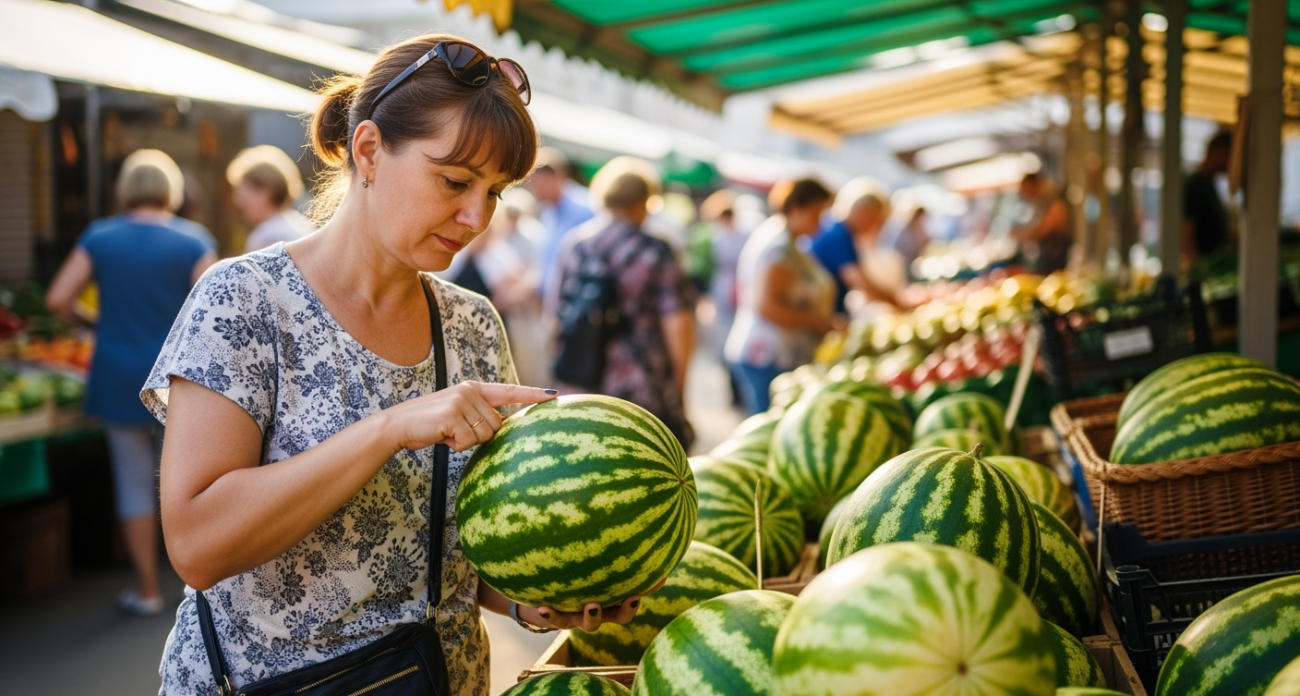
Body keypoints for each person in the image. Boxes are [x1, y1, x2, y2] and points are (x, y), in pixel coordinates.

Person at [140, 34, 647, 696]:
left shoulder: (470, 323)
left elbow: (455, 550)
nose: (476, 217)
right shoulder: (245, 300)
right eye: (456, 180)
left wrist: (534, 598)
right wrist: (389, 428)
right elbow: (198, 544)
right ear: (370, 150)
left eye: (495, 191)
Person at [44, 148, 218, 616]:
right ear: (172, 190)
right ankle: (197, 582)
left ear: (124, 189)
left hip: (118, 371)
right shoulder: (193, 240)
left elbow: (58, 297)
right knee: (189, 477)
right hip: (180, 377)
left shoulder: (100, 236)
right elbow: (216, 311)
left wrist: (95, 323)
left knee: (133, 481)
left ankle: (146, 589)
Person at [555, 158, 698, 449]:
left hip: (582, 376)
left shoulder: (578, 244)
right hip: (639, 380)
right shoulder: (655, 249)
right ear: (646, 201)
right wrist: (679, 387)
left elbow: (556, 313)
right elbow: (677, 322)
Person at [726, 178, 839, 415]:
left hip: (774, 355)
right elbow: (768, 307)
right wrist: (819, 322)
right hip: (767, 356)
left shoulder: (787, 241)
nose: (819, 224)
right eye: (816, 214)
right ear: (797, 208)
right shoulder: (778, 247)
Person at [811, 178, 905, 314]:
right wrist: (899, 304)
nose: (875, 225)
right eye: (875, 219)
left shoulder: (841, 231)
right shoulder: (838, 236)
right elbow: (860, 281)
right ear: (864, 213)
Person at [529, 147, 593, 301]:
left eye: (538, 184)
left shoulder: (585, 207)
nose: (534, 190)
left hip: (573, 303)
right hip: (551, 303)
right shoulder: (547, 210)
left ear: (555, 177)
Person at [227, 144, 314, 253]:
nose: (238, 202)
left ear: (265, 192)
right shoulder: (303, 226)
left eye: (243, 194)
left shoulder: (264, 238)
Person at [1183, 130, 1234, 267]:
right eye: (1230, 155)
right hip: (1204, 273)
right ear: (1219, 151)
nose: (1232, 163)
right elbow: (1185, 233)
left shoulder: (1208, 185)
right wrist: (1199, 272)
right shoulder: (1196, 185)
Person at [1010, 172, 1072, 275]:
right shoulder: (1040, 204)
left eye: (1026, 188)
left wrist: (1021, 234)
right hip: (1047, 265)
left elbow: (1042, 230)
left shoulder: (1055, 203)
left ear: (1035, 184)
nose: (1024, 193)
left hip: (1056, 267)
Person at [893, 206, 931, 278]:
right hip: (903, 265)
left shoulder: (915, 228)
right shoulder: (906, 230)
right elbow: (912, 250)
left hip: (907, 264)